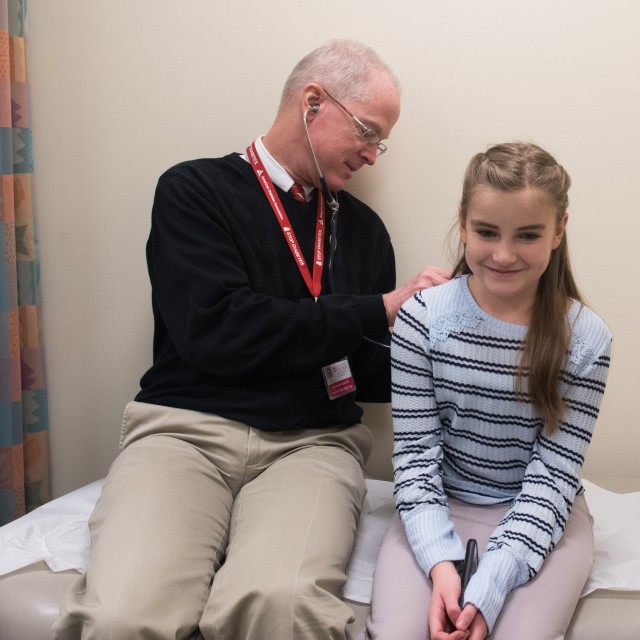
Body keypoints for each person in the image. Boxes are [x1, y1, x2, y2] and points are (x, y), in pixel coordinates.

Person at [53, 40, 449, 640]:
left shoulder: (365, 232)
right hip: (185, 432)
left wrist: (454, 354)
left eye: (381, 141)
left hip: (311, 443)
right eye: (367, 132)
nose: (372, 154)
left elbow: (360, 367)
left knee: (280, 604)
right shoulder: (194, 191)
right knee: (121, 617)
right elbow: (220, 331)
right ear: (313, 102)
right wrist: (377, 309)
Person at [360, 142, 612, 640]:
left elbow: (555, 475)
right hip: (438, 500)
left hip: (539, 511)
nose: (503, 254)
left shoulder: (586, 340)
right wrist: (440, 565)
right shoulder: (423, 319)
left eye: (528, 235)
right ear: (463, 222)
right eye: (486, 232)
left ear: (559, 230)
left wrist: (492, 583)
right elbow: (414, 456)